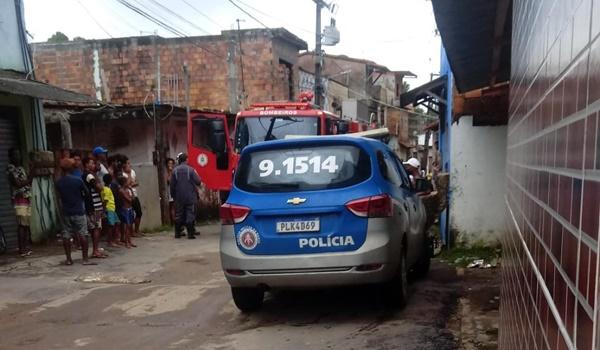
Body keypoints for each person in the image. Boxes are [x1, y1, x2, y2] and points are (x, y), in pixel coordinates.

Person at [55, 158, 95, 266]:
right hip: (78, 210)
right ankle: (85, 259)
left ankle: (68, 259)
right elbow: (86, 193)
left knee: (66, 235)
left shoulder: (59, 182)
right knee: (83, 234)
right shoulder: (77, 180)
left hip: (66, 212)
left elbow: (58, 198)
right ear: (72, 168)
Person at [7, 148, 33, 257]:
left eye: (19, 154)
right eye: (15, 155)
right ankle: (21, 249)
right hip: (19, 198)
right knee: (22, 224)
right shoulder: (11, 169)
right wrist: (29, 177)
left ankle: (25, 247)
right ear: (11, 157)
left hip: (26, 197)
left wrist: (30, 175)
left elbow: (27, 181)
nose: (18, 157)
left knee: (26, 224)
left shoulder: (21, 168)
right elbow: (18, 183)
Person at [170, 153, 201, 239]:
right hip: (190, 197)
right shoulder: (191, 170)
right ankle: (190, 234)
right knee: (190, 213)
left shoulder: (174, 171)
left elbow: (172, 185)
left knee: (179, 214)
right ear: (186, 160)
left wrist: (173, 196)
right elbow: (198, 181)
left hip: (179, 197)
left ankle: (177, 233)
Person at [82, 157, 106, 259]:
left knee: (95, 228)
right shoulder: (89, 175)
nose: (93, 165)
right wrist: (98, 181)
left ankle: (96, 249)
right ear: (86, 164)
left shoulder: (88, 175)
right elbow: (99, 188)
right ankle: (95, 250)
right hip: (94, 206)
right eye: (91, 163)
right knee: (96, 227)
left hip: (93, 205)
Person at [123, 158, 143, 236]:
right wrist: (128, 175)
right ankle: (131, 232)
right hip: (128, 195)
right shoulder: (123, 174)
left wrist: (131, 183)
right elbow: (126, 184)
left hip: (134, 194)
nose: (129, 165)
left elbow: (137, 182)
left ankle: (136, 230)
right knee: (130, 214)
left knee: (139, 212)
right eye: (128, 163)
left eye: (129, 163)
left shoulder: (133, 172)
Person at [101, 174, 120, 247]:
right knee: (111, 225)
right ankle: (110, 241)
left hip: (112, 208)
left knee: (117, 223)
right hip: (109, 209)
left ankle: (115, 239)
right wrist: (104, 209)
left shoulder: (106, 188)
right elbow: (105, 200)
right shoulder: (106, 189)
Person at [117, 175, 136, 248]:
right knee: (127, 226)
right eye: (127, 182)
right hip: (125, 210)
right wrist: (131, 195)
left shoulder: (127, 190)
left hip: (130, 208)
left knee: (130, 226)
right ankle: (126, 242)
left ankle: (129, 241)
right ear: (124, 183)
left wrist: (131, 190)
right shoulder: (121, 190)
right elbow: (130, 199)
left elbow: (133, 199)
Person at [166, 158, 176, 224]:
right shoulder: (166, 172)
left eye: (172, 163)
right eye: (169, 163)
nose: (170, 165)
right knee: (172, 206)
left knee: (176, 206)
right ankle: (174, 221)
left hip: (176, 191)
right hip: (170, 191)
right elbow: (169, 181)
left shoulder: (174, 171)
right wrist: (170, 172)